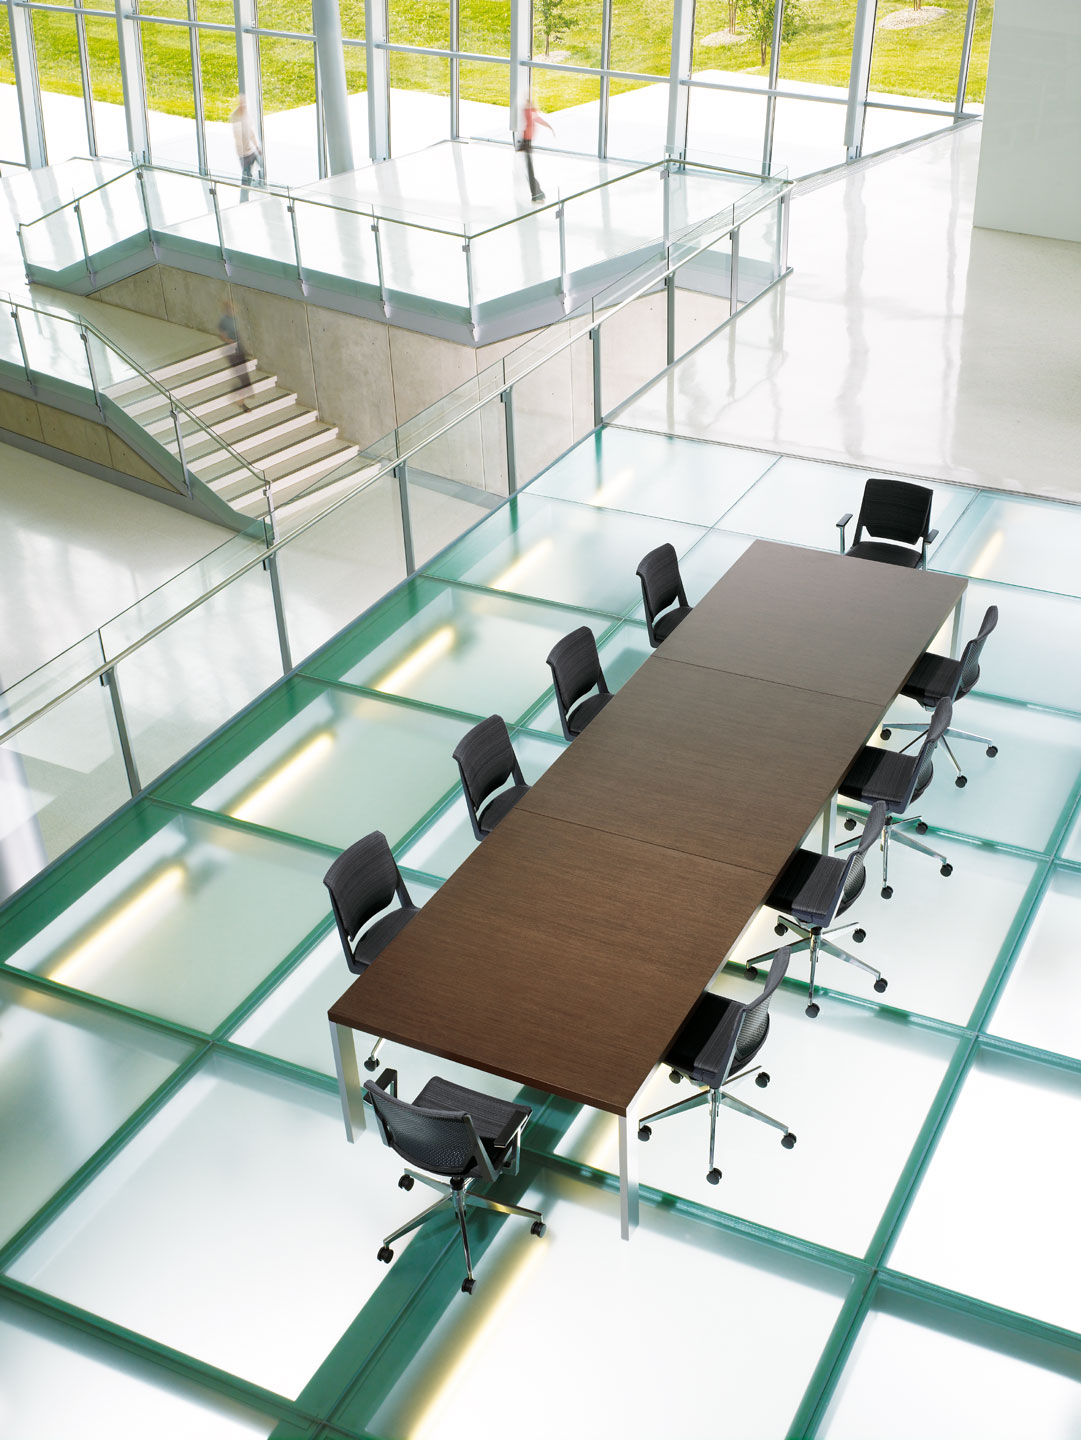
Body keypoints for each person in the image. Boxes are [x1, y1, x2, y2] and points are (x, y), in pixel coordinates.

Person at [217, 301, 251, 410]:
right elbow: (222, 335)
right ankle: (240, 402)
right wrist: (230, 341)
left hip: (239, 349)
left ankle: (240, 400)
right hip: (233, 350)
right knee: (242, 378)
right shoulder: (224, 321)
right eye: (231, 308)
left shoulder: (234, 319)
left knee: (244, 379)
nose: (233, 310)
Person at [519, 97, 553, 204]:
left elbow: (537, 120)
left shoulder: (530, 112)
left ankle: (537, 194)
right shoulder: (529, 112)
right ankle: (537, 194)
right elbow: (535, 121)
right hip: (526, 143)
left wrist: (549, 127)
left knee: (529, 171)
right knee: (529, 171)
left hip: (527, 143)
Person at [231, 95, 263, 201]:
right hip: (244, 153)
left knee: (260, 165)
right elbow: (238, 137)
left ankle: (256, 185)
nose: (244, 106)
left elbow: (250, 131)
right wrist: (241, 155)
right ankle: (244, 199)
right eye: (242, 104)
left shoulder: (246, 114)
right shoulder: (236, 117)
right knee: (246, 176)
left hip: (251, 151)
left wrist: (256, 146)